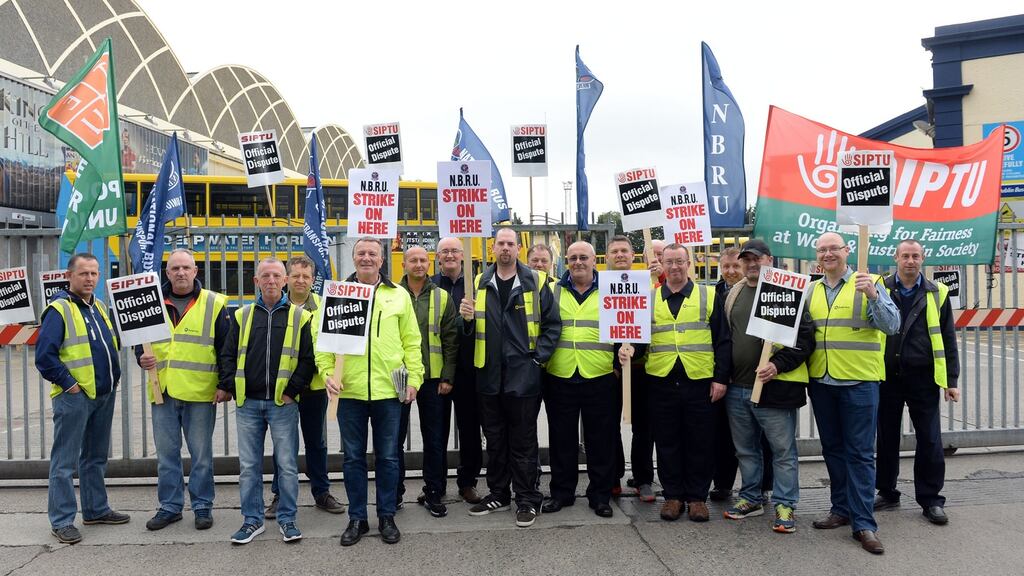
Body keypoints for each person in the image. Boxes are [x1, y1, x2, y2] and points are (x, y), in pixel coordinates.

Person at [321, 238, 423, 546]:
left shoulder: (399, 295)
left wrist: (415, 378)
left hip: (388, 392)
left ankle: (387, 516)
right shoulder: (338, 294)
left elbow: (411, 341)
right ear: (354, 259)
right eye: (361, 253)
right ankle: (357, 518)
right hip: (349, 391)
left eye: (372, 254)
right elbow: (324, 342)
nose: (367, 258)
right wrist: (327, 374)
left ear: (382, 261)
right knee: (352, 458)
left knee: (389, 458)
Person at [460, 227, 560, 528]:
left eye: (510, 244)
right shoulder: (478, 281)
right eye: (500, 243)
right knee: (496, 440)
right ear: (493, 248)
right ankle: (499, 493)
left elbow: (553, 326)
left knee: (524, 441)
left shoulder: (537, 280)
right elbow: (469, 333)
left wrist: (536, 360)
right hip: (489, 376)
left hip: (523, 377)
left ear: (518, 248)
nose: (505, 248)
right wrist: (465, 319)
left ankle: (528, 498)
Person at [807, 232, 900, 555]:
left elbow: (892, 325)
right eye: (822, 250)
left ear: (847, 251)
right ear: (817, 256)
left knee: (860, 454)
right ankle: (841, 509)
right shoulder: (812, 290)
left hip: (860, 382)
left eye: (834, 248)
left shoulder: (869, 280)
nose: (828, 254)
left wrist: (874, 296)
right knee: (832, 449)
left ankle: (864, 524)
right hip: (822, 381)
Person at [218, 258, 316, 545]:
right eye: (265, 276)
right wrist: (230, 386)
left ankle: (287, 519)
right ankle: (252, 521)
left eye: (276, 276)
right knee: (249, 467)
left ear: (284, 281)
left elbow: (308, 360)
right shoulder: (242, 316)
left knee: (286, 465)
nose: (271, 280)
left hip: (282, 403)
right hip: (248, 404)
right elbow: (227, 355)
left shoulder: (300, 317)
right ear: (256, 281)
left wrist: (291, 391)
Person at [721, 240, 814, 534]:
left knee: (782, 450)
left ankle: (785, 503)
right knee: (746, 450)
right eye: (745, 259)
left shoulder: (788, 293)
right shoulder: (733, 293)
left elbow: (805, 339)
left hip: (774, 389)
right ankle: (751, 497)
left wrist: (778, 365)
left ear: (769, 260)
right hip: (738, 389)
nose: (750, 264)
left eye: (756, 259)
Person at [36, 253, 128, 545]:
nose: (90, 279)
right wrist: (70, 385)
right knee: (64, 462)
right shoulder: (58, 310)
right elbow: (45, 357)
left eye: (94, 274)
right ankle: (62, 521)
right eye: (83, 274)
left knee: (95, 458)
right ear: (70, 276)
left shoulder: (98, 306)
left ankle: (95, 510)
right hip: (75, 397)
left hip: (103, 393)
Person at [136, 249, 230, 532]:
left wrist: (225, 385)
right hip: (162, 389)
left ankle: (202, 506)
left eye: (185, 268)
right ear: (167, 273)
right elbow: (137, 341)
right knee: (167, 454)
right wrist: (140, 357)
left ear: (195, 271)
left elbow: (226, 348)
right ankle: (170, 507)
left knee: (201, 455)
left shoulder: (213, 303)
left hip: (200, 392)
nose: (180, 273)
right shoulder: (150, 302)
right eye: (175, 268)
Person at [875, 239, 960, 525]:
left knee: (930, 439)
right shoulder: (879, 287)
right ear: (895, 257)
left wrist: (951, 380)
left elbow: (948, 338)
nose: (910, 261)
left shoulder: (938, 292)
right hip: (885, 375)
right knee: (886, 437)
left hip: (923, 376)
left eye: (915, 256)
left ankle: (931, 499)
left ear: (923, 259)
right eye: (905, 256)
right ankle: (886, 492)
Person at [646, 243, 731, 523]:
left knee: (700, 441)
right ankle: (672, 496)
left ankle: (697, 498)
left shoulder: (708, 295)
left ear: (689, 263)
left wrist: (720, 379)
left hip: (700, 381)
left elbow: (723, 340)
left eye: (679, 261)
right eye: (668, 261)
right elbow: (637, 338)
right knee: (667, 440)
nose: (674, 267)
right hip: (661, 380)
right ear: (662, 263)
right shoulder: (650, 298)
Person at [265, 256, 346, 520]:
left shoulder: (324, 307)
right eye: (296, 275)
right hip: (283, 389)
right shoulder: (276, 306)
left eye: (306, 276)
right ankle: (280, 495)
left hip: (313, 388)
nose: (301, 280)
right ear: (287, 278)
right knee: (282, 444)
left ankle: (321, 492)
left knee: (316, 443)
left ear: (313, 280)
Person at [542, 241, 619, 518]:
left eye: (583, 257)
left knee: (601, 440)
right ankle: (561, 493)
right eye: (572, 258)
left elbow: (627, 324)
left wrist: (627, 351)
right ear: (566, 260)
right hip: (560, 374)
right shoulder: (552, 290)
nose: (578, 262)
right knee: (561, 439)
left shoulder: (612, 289)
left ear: (593, 261)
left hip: (600, 375)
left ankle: (600, 496)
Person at [397, 246, 458, 517]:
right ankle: (394, 492)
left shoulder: (442, 297)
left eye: (423, 260)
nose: (419, 264)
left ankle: (434, 491)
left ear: (429, 263)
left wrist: (448, 376)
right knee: (394, 439)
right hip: (398, 376)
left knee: (435, 439)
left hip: (434, 378)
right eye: (413, 260)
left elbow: (451, 340)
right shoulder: (391, 295)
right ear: (404, 264)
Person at [433, 236, 484, 504]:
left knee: (469, 430)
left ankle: (468, 482)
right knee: (436, 431)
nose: (450, 255)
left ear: (463, 256)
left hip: (469, 369)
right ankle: (436, 484)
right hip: (438, 370)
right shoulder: (430, 287)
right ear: (438, 257)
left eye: (455, 250)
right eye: (445, 251)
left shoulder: (476, 286)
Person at [605, 235, 655, 502]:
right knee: (608, 425)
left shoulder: (645, 286)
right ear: (608, 256)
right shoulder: (600, 286)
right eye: (615, 251)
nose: (620, 255)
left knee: (643, 427)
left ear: (633, 255)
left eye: (625, 250)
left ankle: (643, 478)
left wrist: (635, 348)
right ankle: (613, 478)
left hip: (640, 368)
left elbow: (648, 325)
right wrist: (614, 362)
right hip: (610, 371)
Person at [709, 246, 743, 501]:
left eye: (736, 266)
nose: (731, 272)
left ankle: (760, 488)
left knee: (753, 436)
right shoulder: (714, 293)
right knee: (720, 434)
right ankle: (722, 483)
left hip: (748, 373)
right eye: (726, 267)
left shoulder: (757, 291)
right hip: (722, 373)